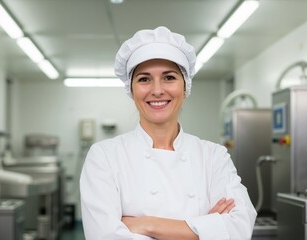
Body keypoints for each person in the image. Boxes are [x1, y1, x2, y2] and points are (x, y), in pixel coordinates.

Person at [80, 26, 256, 240]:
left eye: (169, 77)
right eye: (144, 79)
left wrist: (147, 225)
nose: (157, 90)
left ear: (185, 87)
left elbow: (239, 228)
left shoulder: (213, 156)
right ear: (131, 89)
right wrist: (206, 230)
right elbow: (104, 237)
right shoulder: (104, 156)